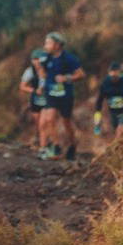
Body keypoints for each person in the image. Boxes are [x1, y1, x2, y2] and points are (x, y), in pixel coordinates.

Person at [37, 31, 84, 161]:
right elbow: (42, 71)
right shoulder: (46, 58)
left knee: (66, 122)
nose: (45, 45)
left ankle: (73, 145)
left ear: (57, 45)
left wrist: (66, 78)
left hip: (65, 95)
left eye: (48, 43)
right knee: (49, 119)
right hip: (50, 93)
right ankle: (56, 146)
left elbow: (81, 74)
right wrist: (42, 82)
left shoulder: (69, 59)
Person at [94, 61, 123, 139]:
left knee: (121, 128)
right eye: (112, 76)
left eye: (116, 76)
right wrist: (97, 123)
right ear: (109, 74)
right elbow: (99, 103)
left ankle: (118, 144)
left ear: (119, 73)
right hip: (113, 112)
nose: (114, 78)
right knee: (117, 129)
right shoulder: (105, 84)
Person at [19, 49, 50, 149]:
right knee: (38, 124)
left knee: (43, 123)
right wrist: (34, 90)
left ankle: (44, 147)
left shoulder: (49, 69)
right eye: (34, 59)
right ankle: (40, 140)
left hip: (48, 101)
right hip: (35, 100)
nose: (36, 62)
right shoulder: (29, 71)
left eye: (38, 59)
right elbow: (22, 86)